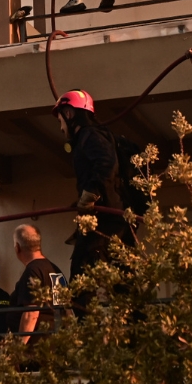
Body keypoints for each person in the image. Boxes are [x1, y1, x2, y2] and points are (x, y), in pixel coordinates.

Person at [52, 89, 129, 279]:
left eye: (60, 120)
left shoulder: (90, 135)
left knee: (81, 281)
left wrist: (89, 196)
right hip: (111, 218)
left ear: (69, 114)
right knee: (123, 279)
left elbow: (105, 164)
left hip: (105, 220)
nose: (61, 128)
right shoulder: (93, 136)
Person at [10, 225, 64, 345]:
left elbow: (31, 314)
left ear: (17, 247)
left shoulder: (33, 271)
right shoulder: (55, 269)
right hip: (55, 342)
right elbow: (67, 309)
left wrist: (18, 348)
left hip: (37, 346)